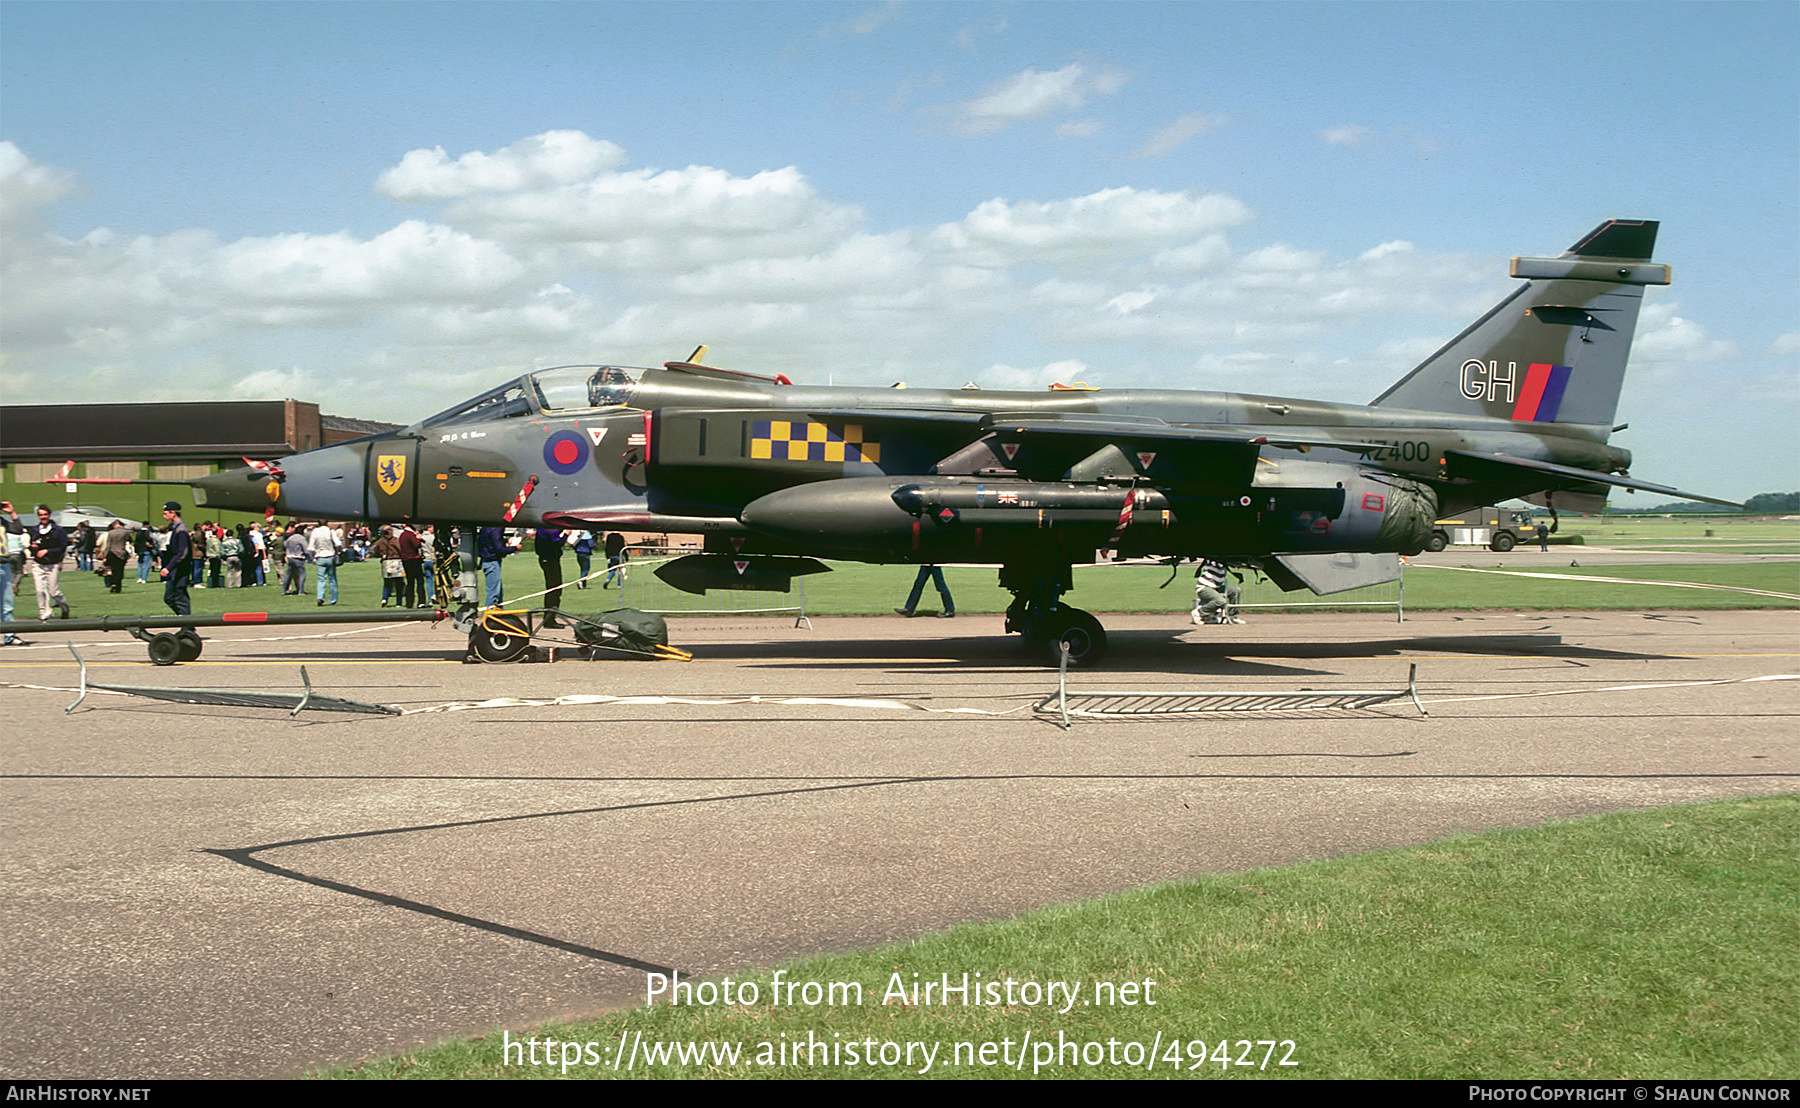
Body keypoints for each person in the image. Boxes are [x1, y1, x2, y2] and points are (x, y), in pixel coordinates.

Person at [27, 504, 72, 620]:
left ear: (49, 515)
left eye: (45, 514)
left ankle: (64, 606)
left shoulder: (58, 530)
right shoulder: (35, 530)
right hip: (38, 564)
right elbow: (30, 545)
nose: (43, 517)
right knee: (39, 590)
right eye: (41, 515)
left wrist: (47, 551)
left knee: (54, 592)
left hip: (52, 564)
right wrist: (33, 547)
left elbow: (62, 547)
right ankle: (44, 613)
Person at [159, 501, 193, 617]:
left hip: (180, 570)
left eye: (165, 514)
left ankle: (186, 627)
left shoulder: (181, 529)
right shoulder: (175, 528)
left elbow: (182, 553)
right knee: (169, 598)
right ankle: (185, 622)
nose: (164, 517)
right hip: (175, 570)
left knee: (180, 598)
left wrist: (169, 567)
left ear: (172, 513)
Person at [1192, 559, 1243, 625]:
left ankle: (1232, 616)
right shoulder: (1212, 559)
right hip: (1204, 587)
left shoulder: (1225, 561)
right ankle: (1199, 613)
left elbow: (1236, 564)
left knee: (1235, 591)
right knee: (1221, 601)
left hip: (1216, 587)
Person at [0, 502, 24, 644]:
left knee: (7, 604)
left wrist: (12, 512)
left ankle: (9, 635)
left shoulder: (2, 521)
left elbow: (18, 529)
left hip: (4, 564)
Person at [534, 528, 566, 627]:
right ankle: (549, 620)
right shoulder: (549, 529)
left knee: (554, 589)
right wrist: (566, 535)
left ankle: (550, 618)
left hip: (548, 559)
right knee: (554, 589)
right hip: (550, 559)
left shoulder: (543, 528)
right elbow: (557, 543)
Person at [476, 526, 516, 607]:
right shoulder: (496, 528)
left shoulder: (485, 527)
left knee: (496, 592)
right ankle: (491, 616)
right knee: (494, 594)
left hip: (487, 561)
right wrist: (515, 548)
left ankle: (496, 615)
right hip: (492, 562)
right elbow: (500, 549)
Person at [309, 520, 341, 605]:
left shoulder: (315, 531)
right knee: (332, 579)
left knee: (321, 579)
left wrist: (315, 552)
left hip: (320, 557)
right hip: (330, 556)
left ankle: (320, 597)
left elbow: (311, 547)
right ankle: (333, 599)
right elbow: (338, 543)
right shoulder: (331, 531)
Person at [395, 523, 426, 608]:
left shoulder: (402, 535)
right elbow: (417, 545)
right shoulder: (410, 534)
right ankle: (421, 601)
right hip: (414, 558)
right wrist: (418, 538)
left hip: (405, 559)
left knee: (410, 582)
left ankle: (409, 602)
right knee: (419, 581)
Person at [100, 520, 131, 593]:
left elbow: (108, 545)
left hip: (111, 553)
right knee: (119, 570)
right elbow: (129, 540)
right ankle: (118, 586)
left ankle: (112, 583)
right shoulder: (125, 532)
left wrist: (105, 556)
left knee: (112, 570)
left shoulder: (111, 533)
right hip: (121, 553)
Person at [282, 525, 308, 595]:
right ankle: (301, 590)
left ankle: (285, 590)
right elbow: (306, 549)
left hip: (290, 557)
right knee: (302, 575)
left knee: (288, 575)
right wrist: (309, 557)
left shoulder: (290, 538)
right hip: (298, 558)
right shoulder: (301, 538)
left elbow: (285, 545)